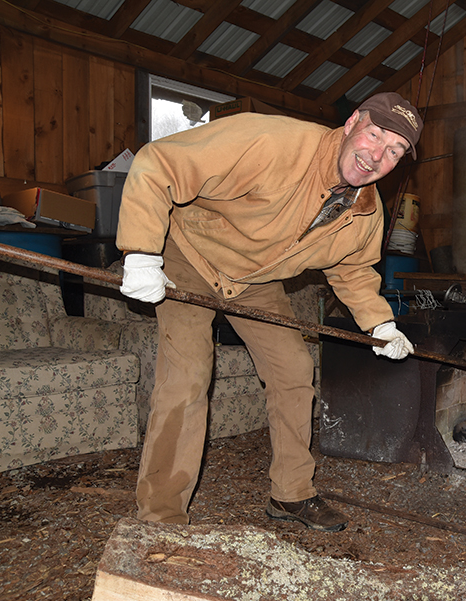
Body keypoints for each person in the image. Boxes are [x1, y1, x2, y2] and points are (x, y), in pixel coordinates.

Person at [116, 92, 423, 532]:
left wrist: (382, 324)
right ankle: (161, 517)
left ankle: (291, 494)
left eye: (394, 151)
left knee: (294, 369)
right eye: (375, 135)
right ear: (352, 122)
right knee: (187, 375)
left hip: (253, 280)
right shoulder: (270, 141)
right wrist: (142, 251)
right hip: (189, 253)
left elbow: (353, 270)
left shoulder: (365, 211)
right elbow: (160, 162)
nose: (377, 156)